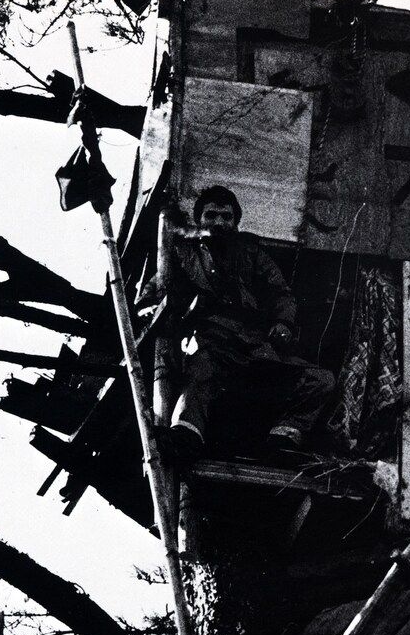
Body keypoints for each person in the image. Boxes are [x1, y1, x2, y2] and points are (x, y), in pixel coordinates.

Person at [141, 185, 335, 462]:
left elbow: (280, 292)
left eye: (226, 217)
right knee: (201, 368)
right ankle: (186, 433)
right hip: (209, 339)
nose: (219, 223)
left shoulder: (251, 253)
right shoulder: (182, 253)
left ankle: (283, 438)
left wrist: (283, 322)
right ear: (199, 219)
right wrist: (150, 311)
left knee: (320, 380)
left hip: (256, 347)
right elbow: (152, 294)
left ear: (235, 222)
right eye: (211, 216)